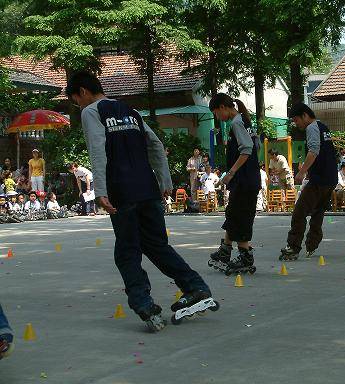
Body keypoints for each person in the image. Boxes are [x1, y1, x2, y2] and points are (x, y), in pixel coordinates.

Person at [66, 71, 216, 331]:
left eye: (76, 101)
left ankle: (144, 303)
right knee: (158, 246)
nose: (79, 106)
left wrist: (100, 189)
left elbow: (98, 150)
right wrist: (165, 181)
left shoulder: (92, 112)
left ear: (83, 92)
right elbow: (156, 145)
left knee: (127, 252)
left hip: (121, 192)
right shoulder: (130, 111)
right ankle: (196, 287)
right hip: (148, 190)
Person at [208, 93, 260, 274]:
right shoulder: (245, 121)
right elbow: (257, 147)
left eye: (216, 113)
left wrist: (231, 173)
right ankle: (225, 250)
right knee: (233, 214)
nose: (217, 117)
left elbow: (247, 150)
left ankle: (245, 256)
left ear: (223, 107)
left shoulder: (237, 123)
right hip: (248, 179)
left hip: (245, 180)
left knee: (241, 216)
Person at [279, 103, 337, 260]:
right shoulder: (323, 126)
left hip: (319, 179)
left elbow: (313, 151)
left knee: (299, 212)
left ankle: (293, 246)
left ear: (305, 115)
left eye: (296, 120)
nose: (296, 124)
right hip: (330, 178)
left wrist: (302, 171)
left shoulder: (311, 128)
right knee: (318, 212)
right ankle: (312, 244)